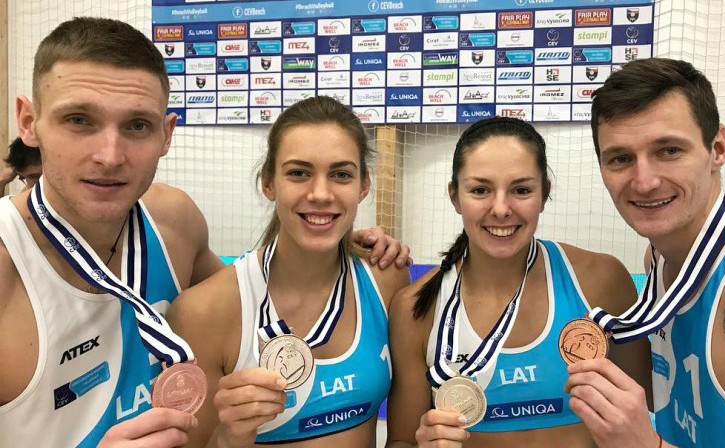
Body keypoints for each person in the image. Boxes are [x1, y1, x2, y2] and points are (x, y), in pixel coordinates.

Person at [0, 18, 408, 448]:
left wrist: (338, 240)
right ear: (28, 121)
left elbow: (248, 294)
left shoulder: (173, 221)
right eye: (79, 119)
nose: (110, 156)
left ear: (166, 134)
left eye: (137, 125)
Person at [564, 58, 725, 448]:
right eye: (621, 158)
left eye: (669, 150)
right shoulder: (658, 260)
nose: (644, 182)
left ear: (717, 148)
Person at [386, 117, 652, 448]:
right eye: (480, 190)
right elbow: (402, 441)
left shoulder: (601, 281)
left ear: (545, 193)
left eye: (521, 190)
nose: (501, 209)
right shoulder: (415, 308)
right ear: (454, 196)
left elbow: (648, 416)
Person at [167, 96, 410, 448]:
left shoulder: (386, 278)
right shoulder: (202, 312)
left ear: (363, 186)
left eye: (341, 174)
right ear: (269, 183)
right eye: (299, 173)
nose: (320, 194)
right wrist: (229, 437)